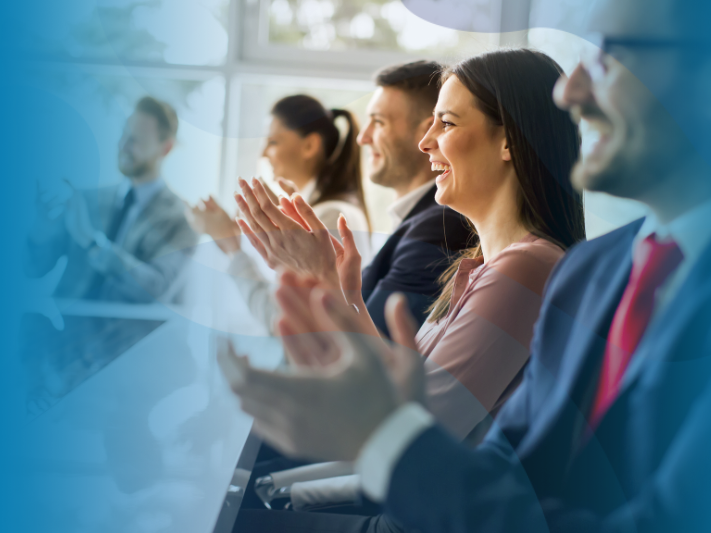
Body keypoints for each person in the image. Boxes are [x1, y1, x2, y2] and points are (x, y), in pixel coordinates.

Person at [219, 0, 711, 531]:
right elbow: (499, 467)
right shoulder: (593, 270)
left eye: (612, 56)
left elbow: (424, 427)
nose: (571, 92)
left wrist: (382, 434)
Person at [244, 49, 585, 443]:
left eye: (447, 123)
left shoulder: (524, 268)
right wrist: (344, 292)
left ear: (508, 140)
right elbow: (396, 385)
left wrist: (325, 284)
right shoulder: (484, 266)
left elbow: (413, 428)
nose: (425, 143)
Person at [230, 62, 474, 336]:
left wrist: (314, 272)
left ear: (426, 131)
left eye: (379, 122)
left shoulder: (439, 228)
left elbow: (375, 348)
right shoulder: (417, 220)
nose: (362, 137)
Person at [187, 95, 370, 328]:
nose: (264, 153)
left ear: (310, 146)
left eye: (273, 142)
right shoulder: (331, 211)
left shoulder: (330, 217)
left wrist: (232, 249)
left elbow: (281, 322)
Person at [26, 96, 197, 303]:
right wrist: (41, 231)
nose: (123, 145)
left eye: (135, 140)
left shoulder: (182, 220)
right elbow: (31, 269)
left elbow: (156, 290)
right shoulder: (86, 201)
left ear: (166, 148)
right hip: (64, 330)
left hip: (129, 335)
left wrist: (93, 243)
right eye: (123, 135)